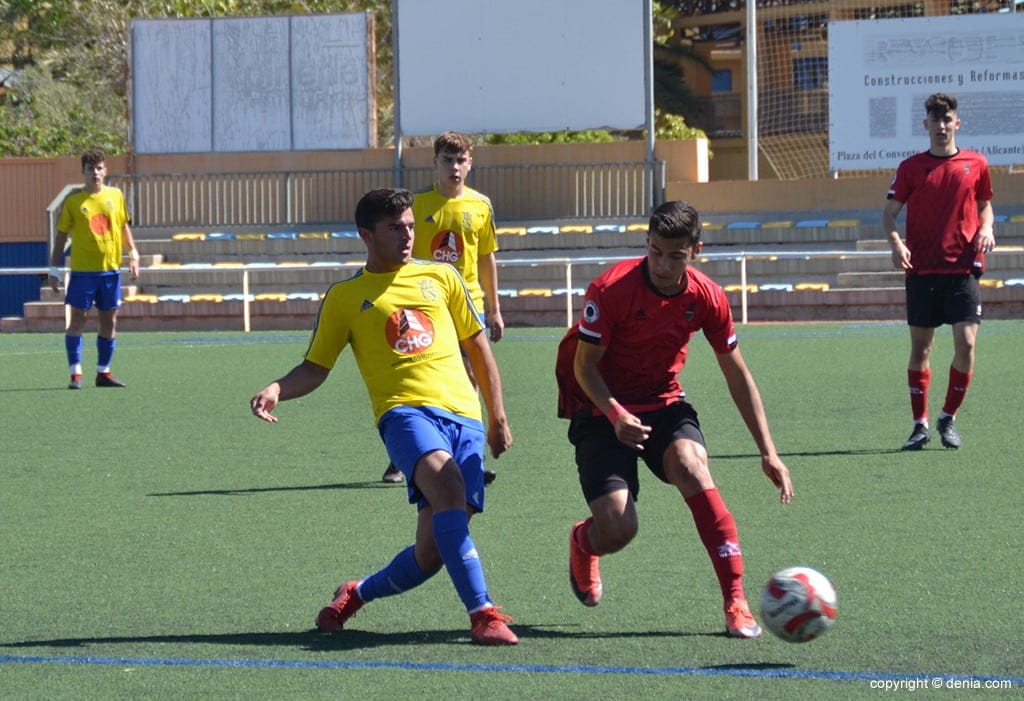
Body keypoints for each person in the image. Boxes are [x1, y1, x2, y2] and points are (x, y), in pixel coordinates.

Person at [250, 187, 518, 646]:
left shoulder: (442, 277)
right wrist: (277, 387)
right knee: (450, 487)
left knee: (430, 554)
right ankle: (483, 614)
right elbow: (316, 367)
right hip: (405, 415)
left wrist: (497, 416)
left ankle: (356, 594)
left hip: (464, 417)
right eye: (395, 228)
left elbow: (479, 348)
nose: (408, 235)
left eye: (411, 226)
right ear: (366, 235)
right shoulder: (345, 297)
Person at [555, 199, 794, 638]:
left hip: (664, 403)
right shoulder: (610, 290)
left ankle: (736, 600)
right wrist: (615, 414)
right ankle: (584, 541)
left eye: (676, 256)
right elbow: (583, 368)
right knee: (620, 529)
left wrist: (768, 451)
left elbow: (737, 374)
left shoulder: (706, 296)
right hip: (601, 407)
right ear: (646, 243)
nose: (663, 265)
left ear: (695, 251)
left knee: (691, 465)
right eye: (655, 252)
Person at [382, 131, 503, 484]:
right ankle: (402, 456)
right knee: (418, 378)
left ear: (470, 163)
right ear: (435, 163)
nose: (454, 167)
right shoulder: (417, 206)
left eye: (460, 160)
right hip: (424, 305)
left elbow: (486, 259)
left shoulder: (480, 206)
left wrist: (494, 309)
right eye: (447, 160)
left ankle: (470, 459)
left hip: (468, 305)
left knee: (470, 381)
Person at [882, 93, 996, 451]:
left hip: (963, 269)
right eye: (936, 121)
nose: (942, 126)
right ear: (926, 125)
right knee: (922, 348)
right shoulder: (911, 167)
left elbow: (986, 206)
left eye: (948, 120)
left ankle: (949, 418)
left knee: (967, 342)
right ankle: (920, 425)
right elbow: (889, 214)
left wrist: (987, 228)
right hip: (923, 271)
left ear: (956, 123)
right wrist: (896, 243)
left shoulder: (976, 163)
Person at [48, 149, 140, 389]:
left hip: (110, 271)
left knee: (109, 321)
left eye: (99, 168)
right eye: (91, 169)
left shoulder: (116, 196)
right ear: (83, 172)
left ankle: (103, 373)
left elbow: (122, 226)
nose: (96, 173)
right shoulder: (74, 201)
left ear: (105, 170)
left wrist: (134, 254)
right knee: (78, 320)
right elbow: (60, 236)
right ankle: (75, 374)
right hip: (82, 273)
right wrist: (54, 267)